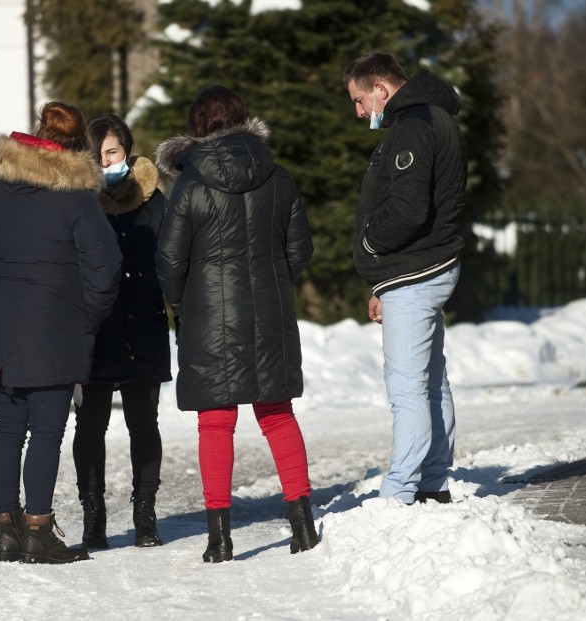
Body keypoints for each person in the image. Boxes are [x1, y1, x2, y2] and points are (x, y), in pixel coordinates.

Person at [154, 85, 318, 563]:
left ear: (197, 127)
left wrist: (186, 307)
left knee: (216, 423)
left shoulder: (188, 183)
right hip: (270, 312)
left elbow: (169, 261)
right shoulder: (278, 176)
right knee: (277, 414)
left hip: (209, 317)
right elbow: (299, 250)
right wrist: (274, 284)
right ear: (243, 119)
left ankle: (219, 539)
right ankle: (303, 526)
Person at [0, 101, 123, 563]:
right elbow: (106, 266)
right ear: (76, 149)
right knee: (47, 431)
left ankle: (6, 530)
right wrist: (89, 316)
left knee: (6, 428)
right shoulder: (76, 199)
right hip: (56, 330)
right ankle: (38, 530)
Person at [342, 52, 467, 505]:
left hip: (414, 271)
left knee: (407, 387)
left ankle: (399, 492)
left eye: (359, 100)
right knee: (431, 380)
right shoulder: (434, 118)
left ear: (381, 88)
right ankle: (433, 481)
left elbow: (409, 209)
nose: (358, 112)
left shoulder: (413, 125)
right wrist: (382, 283)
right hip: (421, 270)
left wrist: (371, 247)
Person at [71, 114, 171, 549]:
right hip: (93, 330)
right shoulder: (77, 200)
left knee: (143, 423)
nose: (104, 160)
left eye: (111, 152)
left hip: (143, 324)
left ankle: (145, 513)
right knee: (89, 427)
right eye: (96, 154)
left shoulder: (154, 201)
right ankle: (93, 513)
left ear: (126, 151)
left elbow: (171, 260)